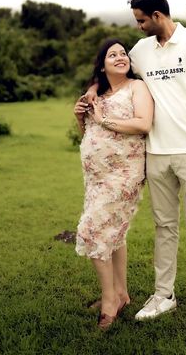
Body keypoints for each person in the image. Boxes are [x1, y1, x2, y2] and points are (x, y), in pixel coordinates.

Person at [86, 0, 186, 326]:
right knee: (164, 227)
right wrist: (91, 91)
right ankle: (164, 295)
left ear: (157, 16)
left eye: (141, 20)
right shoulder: (141, 51)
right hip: (156, 153)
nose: (138, 26)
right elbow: (112, 73)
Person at [73, 38, 154, 330]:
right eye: (112, 54)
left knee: (91, 231)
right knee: (115, 235)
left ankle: (109, 301)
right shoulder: (99, 93)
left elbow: (143, 124)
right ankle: (121, 293)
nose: (120, 57)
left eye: (123, 53)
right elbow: (89, 131)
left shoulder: (137, 87)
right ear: (102, 64)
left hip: (124, 175)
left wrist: (104, 120)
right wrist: (80, 117)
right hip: (96, 177)